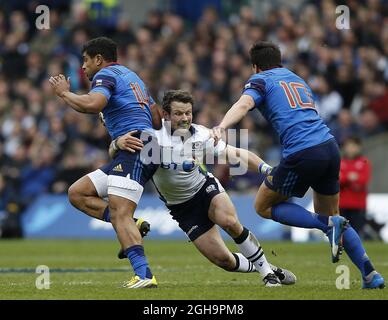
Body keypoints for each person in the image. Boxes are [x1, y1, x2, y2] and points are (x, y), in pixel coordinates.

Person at [212, 41, 384, 289]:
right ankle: (370, 275)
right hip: (329, 146)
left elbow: (243, 104)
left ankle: (326, 225)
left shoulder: (260, 80)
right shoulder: (297, 79)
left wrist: (222, 126)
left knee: (263, 206)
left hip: (302, 151)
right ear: (279, 60)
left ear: (255, 66)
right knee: (334, 217)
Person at [111, 90, 296, 287]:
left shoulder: (201, 135)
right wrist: (116, 143)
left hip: (204, 189)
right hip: (181, 207)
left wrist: (266, 169)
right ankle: (267, 266)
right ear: (165, 115)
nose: (185, 119)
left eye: (188, 113)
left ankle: (267, 275)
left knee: (230, 222)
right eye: (178, 114)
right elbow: (117, 153)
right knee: (224, 260)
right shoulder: (151, 138)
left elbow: (235, 154)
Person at [49, 37, 162, 288]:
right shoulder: (134, 77)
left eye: (86, 61)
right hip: (142, 143)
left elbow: (93, 104)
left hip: (136, 144)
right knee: (78, 193)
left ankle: (144, 275)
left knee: (120, 212)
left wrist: (64, 93)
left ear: (98, 59)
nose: (83, 67)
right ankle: (134, 226)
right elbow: (156, 118)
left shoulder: (106, 75)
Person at [339, 136, 370, 235]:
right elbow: (337, 180)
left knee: (357, 232)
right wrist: (350, 177)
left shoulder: (364, 161)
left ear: (359, 147)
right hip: (342, 204)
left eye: (353, 146)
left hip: (358, 204)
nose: (350, 149)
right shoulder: (340, 162)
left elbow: (364, 180)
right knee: (342, 233)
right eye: (348, 146)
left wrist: (345, 177)